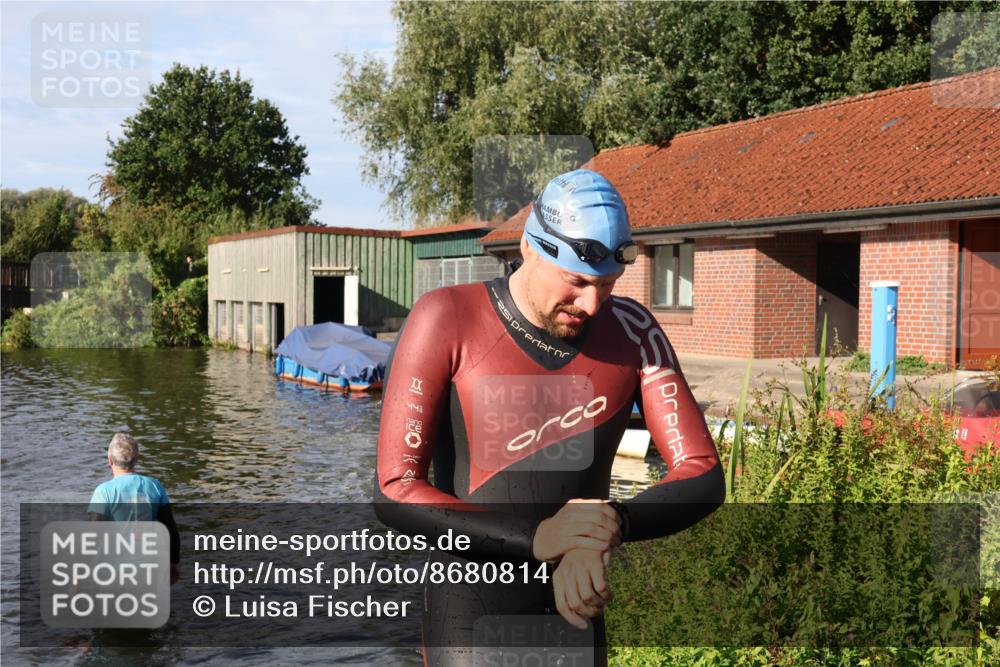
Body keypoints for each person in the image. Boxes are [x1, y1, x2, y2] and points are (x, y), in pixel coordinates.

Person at [375, 169, 724, 665]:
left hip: (575, 607)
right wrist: (540, 538)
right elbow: (395, 488)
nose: (592, 304)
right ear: (529, 247)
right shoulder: (445, 316)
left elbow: (703, 472)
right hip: (470, 610)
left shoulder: (633, 330)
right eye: (576, 282)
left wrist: (607, 525)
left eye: (607, 285)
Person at [88, 433, 180, 583]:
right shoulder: (155, 486)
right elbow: (170, 530)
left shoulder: (104, 492)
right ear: (136, 459)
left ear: (109, 460)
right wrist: (174, 563)